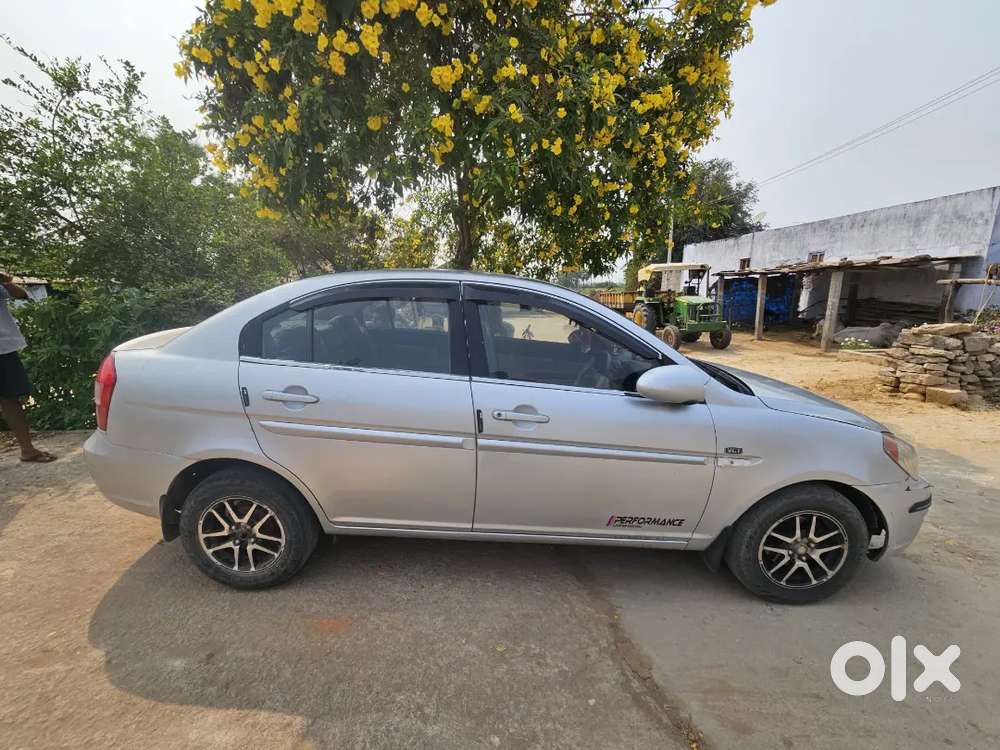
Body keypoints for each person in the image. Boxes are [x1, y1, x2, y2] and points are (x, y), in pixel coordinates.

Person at [0, 271, 55, 463]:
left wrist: (6, 281)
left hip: (3, 348)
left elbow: (21, 295)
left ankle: (27, 449)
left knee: (10, 398)